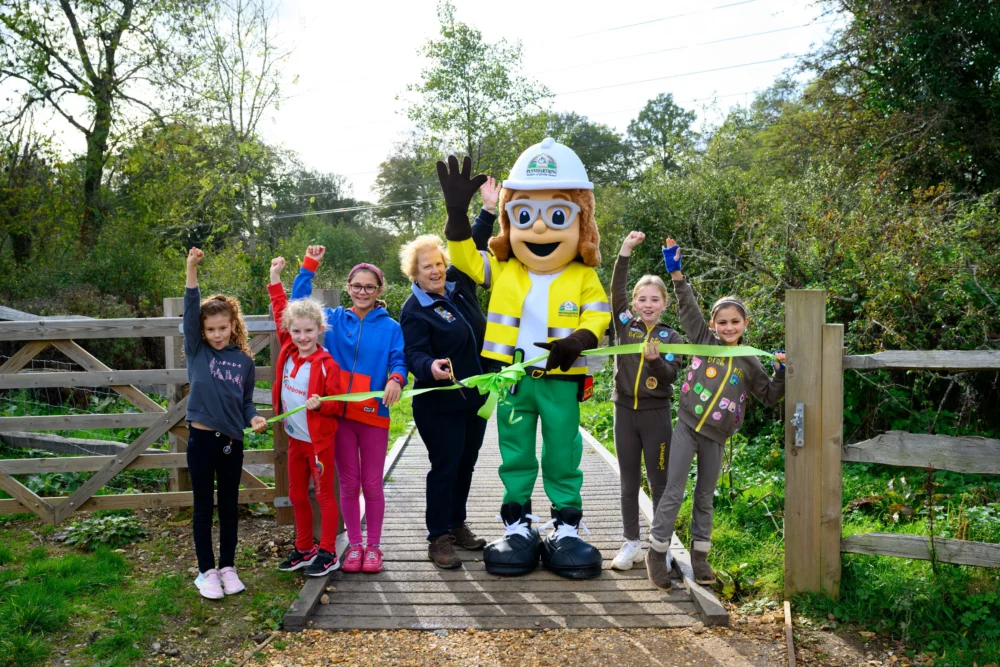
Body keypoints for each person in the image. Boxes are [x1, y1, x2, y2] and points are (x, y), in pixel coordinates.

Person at [441, 140, 612, 580]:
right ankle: (517, 526)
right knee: (515, 452)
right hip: (513, 379)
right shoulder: (506, 268)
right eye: (523, 215)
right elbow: (463, 259)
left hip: (560, 380)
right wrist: (457, 214)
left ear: (581, 221)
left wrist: (578, 339)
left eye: (557, 215)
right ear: (509, 220)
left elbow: (599, 314)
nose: (538, 228)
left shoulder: (583, 274)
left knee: (562, 451)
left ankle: (566, 527)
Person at [645, 238, 787, 591]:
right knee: (674, 491)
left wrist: (781, 372)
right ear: (712, 323)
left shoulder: (750, 361)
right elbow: (688, 307)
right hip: (687, 426)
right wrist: (676, 273)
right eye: (722, 322)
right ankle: (656, 553)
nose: (728, 327)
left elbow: (770, 397)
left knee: (705, 497)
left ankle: (700, 557)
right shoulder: (703, 340)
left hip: (717, 437)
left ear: (745, 323)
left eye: (735, 321)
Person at [290, 247, 407, 574]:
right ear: (348, 286)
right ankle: (354, 545)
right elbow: (298, 305)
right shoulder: (333, 321)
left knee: (372, 483)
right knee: (349, 483)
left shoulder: (391, 327)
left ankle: (374, 547)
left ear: (379, 290)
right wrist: (309, 266)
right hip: (338, 417)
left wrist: (396, 378)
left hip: (373, 415)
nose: (362, 292)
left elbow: (399, 360)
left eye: (369, 287)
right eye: (357, 286)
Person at [398, 233, 491, 570]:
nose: (435, 271)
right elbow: (414, 353)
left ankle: (456, 523)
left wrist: (486, 211)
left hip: (475, 398)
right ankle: (438, 537)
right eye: (427, 266)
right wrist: (430, 367)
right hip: (439, 404)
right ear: (414, 272)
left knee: (466, 463)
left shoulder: (459, 285)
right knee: (445, 466)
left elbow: (470, 241)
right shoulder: (414, 309)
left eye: (439, 263)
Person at [183, 247, 267, 600]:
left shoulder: (244, 361)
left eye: (222, 328)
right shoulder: (197, 351)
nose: (217, 334)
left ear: (234, 326)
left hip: (232, 442)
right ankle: (207, 571)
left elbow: (246, 402)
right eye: (210, 329)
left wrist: (255, 417)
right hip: (201, 442)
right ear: (201, 331)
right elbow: (190, 309)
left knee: (230, 507)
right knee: (204, 507)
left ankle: (228, 567)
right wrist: (191, 268)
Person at [609, 231, 683, 571]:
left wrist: (654, 362)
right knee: (628, 482)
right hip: (624, 412)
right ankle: (631, 544)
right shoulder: (626, 325)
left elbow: (669, 376)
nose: (648, 304)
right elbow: (616, 291)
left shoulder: (672, 337)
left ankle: (660, 546)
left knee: (659, 483)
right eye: (642, 299)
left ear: (665, 304)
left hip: (656, 416)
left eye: (655, 299)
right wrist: (625, 250)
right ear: (635, 304)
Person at [268, 257, 345, 577]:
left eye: (308, 331)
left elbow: (337, 406)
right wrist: (275, 276)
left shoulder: (327, 365)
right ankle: (303, 548)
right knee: (296, 494)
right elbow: (279, 308)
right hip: (295, 439)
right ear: (289, 331)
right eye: (296, 331)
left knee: (324, 495)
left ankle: (328, 551)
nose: (302, 337)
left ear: (319, 330)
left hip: (318, 443)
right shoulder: (288, 349)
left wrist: (320, 405)